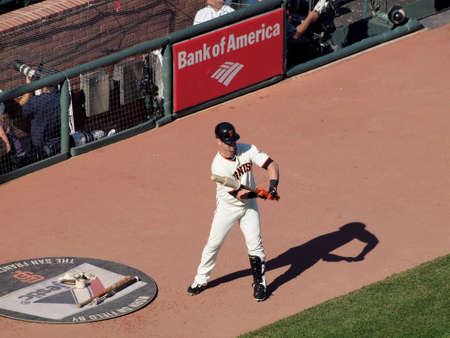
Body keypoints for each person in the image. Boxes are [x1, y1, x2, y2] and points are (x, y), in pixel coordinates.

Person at [187, 122, 280, 302]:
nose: (233, 145)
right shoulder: (218, 167)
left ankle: (260, 283)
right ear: (218, 142)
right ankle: (200, 280)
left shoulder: (248, 149)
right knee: (213, 244)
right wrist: (258, 194)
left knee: (255, 245)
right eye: (228, 142)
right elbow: (240, 194)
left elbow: (271, 165)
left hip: (249, 206)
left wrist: (272, 187)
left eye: (234, 141)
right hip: (228, 208)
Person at [17, 76, 61, 159]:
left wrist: (29, 89)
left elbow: (19, 111)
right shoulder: (61, 96)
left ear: (44, 85)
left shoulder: (36, 101)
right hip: (58, 139)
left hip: (39, 145)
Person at [0, 96, 27, 173]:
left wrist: (7, 159)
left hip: (16, 157)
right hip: (21, 153)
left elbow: (7, 146)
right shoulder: (5, 117)